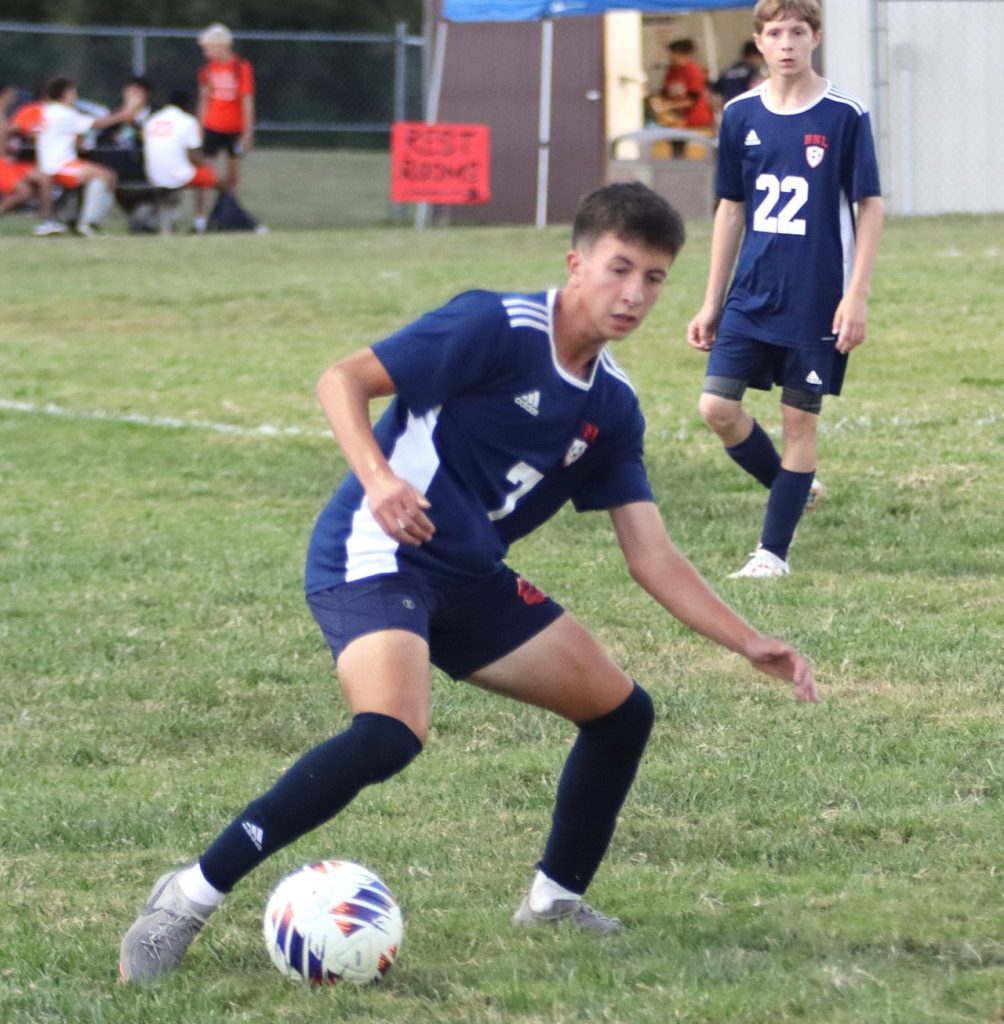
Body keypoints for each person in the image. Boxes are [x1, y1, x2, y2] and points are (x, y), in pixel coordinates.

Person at [118, 181, 818, 984]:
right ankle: (189, 894)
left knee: (621, 713)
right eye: (620, 268)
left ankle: (554, 900)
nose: (634, 293)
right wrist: (379, 479)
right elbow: (341, 380)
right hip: (377, 554)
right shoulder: (495, 325)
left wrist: (747, 640)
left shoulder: (613, 407)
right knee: (390, 732)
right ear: (577, 264)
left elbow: (651, 556)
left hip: (470, 577)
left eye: (654, 278)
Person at [687, 0, 884, 579]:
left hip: (816, 298)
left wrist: (856, 295)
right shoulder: (740, 114)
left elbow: (869, 206)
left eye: (799, 31)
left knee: (800, 422)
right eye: (776, 33)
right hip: (751, 294)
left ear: (816, 37)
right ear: (760, 42)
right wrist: (712, 300)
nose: (787, 43)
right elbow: (731, 208)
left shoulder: (845, 114)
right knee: (717, 407)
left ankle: (772, 553)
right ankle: (795, 487)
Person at [35, 76, 146, 236]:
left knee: (103, 176)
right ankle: (88, 223)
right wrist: (124, 114)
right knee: (107, 176)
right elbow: (98, 124)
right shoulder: (64, 113)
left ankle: (82, 221)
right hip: (59, 166)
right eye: (73, 93)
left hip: (50, 164)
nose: (75, 96)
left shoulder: (47, 111)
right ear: (65, 94)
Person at [194, 22, 254, 232]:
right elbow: (204, 100)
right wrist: (200, 127)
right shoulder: (208, 70)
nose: (206, 53)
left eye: (209, 48)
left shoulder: (241, 68)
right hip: (212, 126)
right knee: (205, 174)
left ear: (222, 46)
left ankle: (229, 216)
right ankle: (201, 219)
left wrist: (247, 131)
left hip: (234, 128)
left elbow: (247, 100)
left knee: (233, 176)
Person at [142, 90, 217, 231]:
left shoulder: (152, 120)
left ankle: (170, 216)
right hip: (176, 175)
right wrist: (204, 163)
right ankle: (200, 222)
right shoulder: (188, 121)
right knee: (208, 177)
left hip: (153, 174)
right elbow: (193, 156)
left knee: (180, 172)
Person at [657, 39, 715, 131]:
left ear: (681, 55)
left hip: (697, 122)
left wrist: (668, 105)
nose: (669, 58)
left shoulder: (692, 71)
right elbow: (665, 92)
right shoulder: (672, 71)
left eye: (672, 54)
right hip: (680, 122)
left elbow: (691, 99)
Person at [711, 41, 766, 106]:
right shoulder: (753, 71)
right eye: (760, 57)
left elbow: (715, 90)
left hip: (730, 106)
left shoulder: (728, 71)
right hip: (747, 106)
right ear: (753, 55)